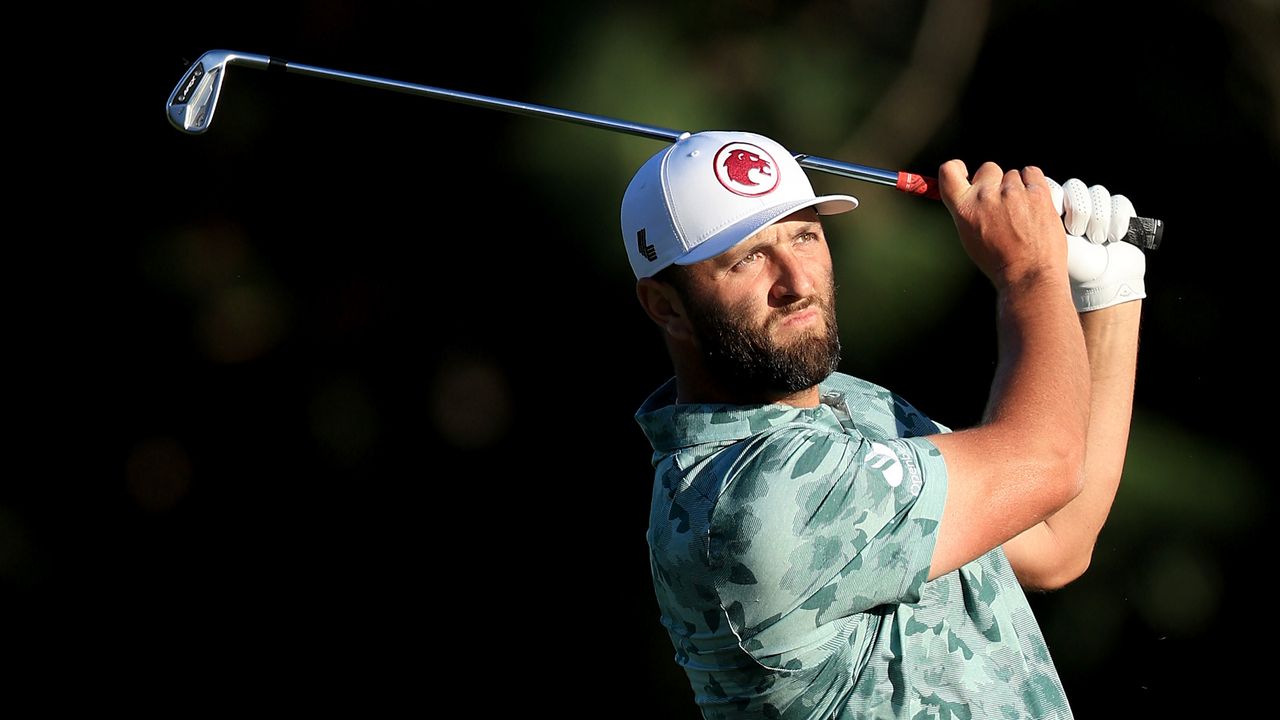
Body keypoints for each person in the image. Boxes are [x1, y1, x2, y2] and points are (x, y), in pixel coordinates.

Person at [624, 130, 1144, 719]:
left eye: (804, 235)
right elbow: (1045, 463)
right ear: (664, 305)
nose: (797, 282)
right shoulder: (752, 498)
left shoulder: (846, 406)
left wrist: (1109, 291)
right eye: (746, 257)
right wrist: (1030, 271)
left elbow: (1054, 537)